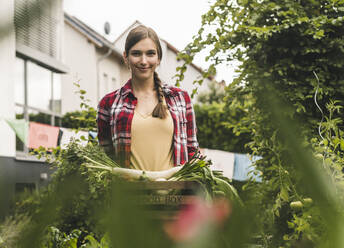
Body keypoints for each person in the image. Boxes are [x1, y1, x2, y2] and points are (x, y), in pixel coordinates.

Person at [97, 25, 198, 171]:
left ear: (159, 58)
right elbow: (104, 158)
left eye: (150, 54)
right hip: (128, 193)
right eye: (136, 54)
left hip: (174, 192)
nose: (144, 61)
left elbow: (192, 152)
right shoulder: (109, 103)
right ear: (126, 57)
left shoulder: (180, 98)